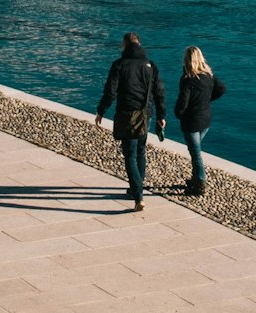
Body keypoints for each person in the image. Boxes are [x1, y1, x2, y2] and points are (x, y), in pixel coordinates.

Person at [95, 32, 166, 210]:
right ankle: (136, 188)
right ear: (140, 44)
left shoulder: (119, 65)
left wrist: (101, 111)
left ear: (125, 45)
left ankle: (138, 195)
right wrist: (161, 116)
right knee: (141, 151)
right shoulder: (151, 65)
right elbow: (159, 93)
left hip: (126, 114)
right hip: (145, 114)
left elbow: (110, 91)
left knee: (130, 154)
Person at [173, 46, 226, 196]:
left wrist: (179, 114)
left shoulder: (187, 79)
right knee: (195, 150)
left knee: (195, 152)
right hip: (206, 119)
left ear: (186, 60)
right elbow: (221, 89)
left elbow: (182, 103)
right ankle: (195, 178)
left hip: (191, 122)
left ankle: (200, 182)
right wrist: (207, 100)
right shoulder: (208, 75)